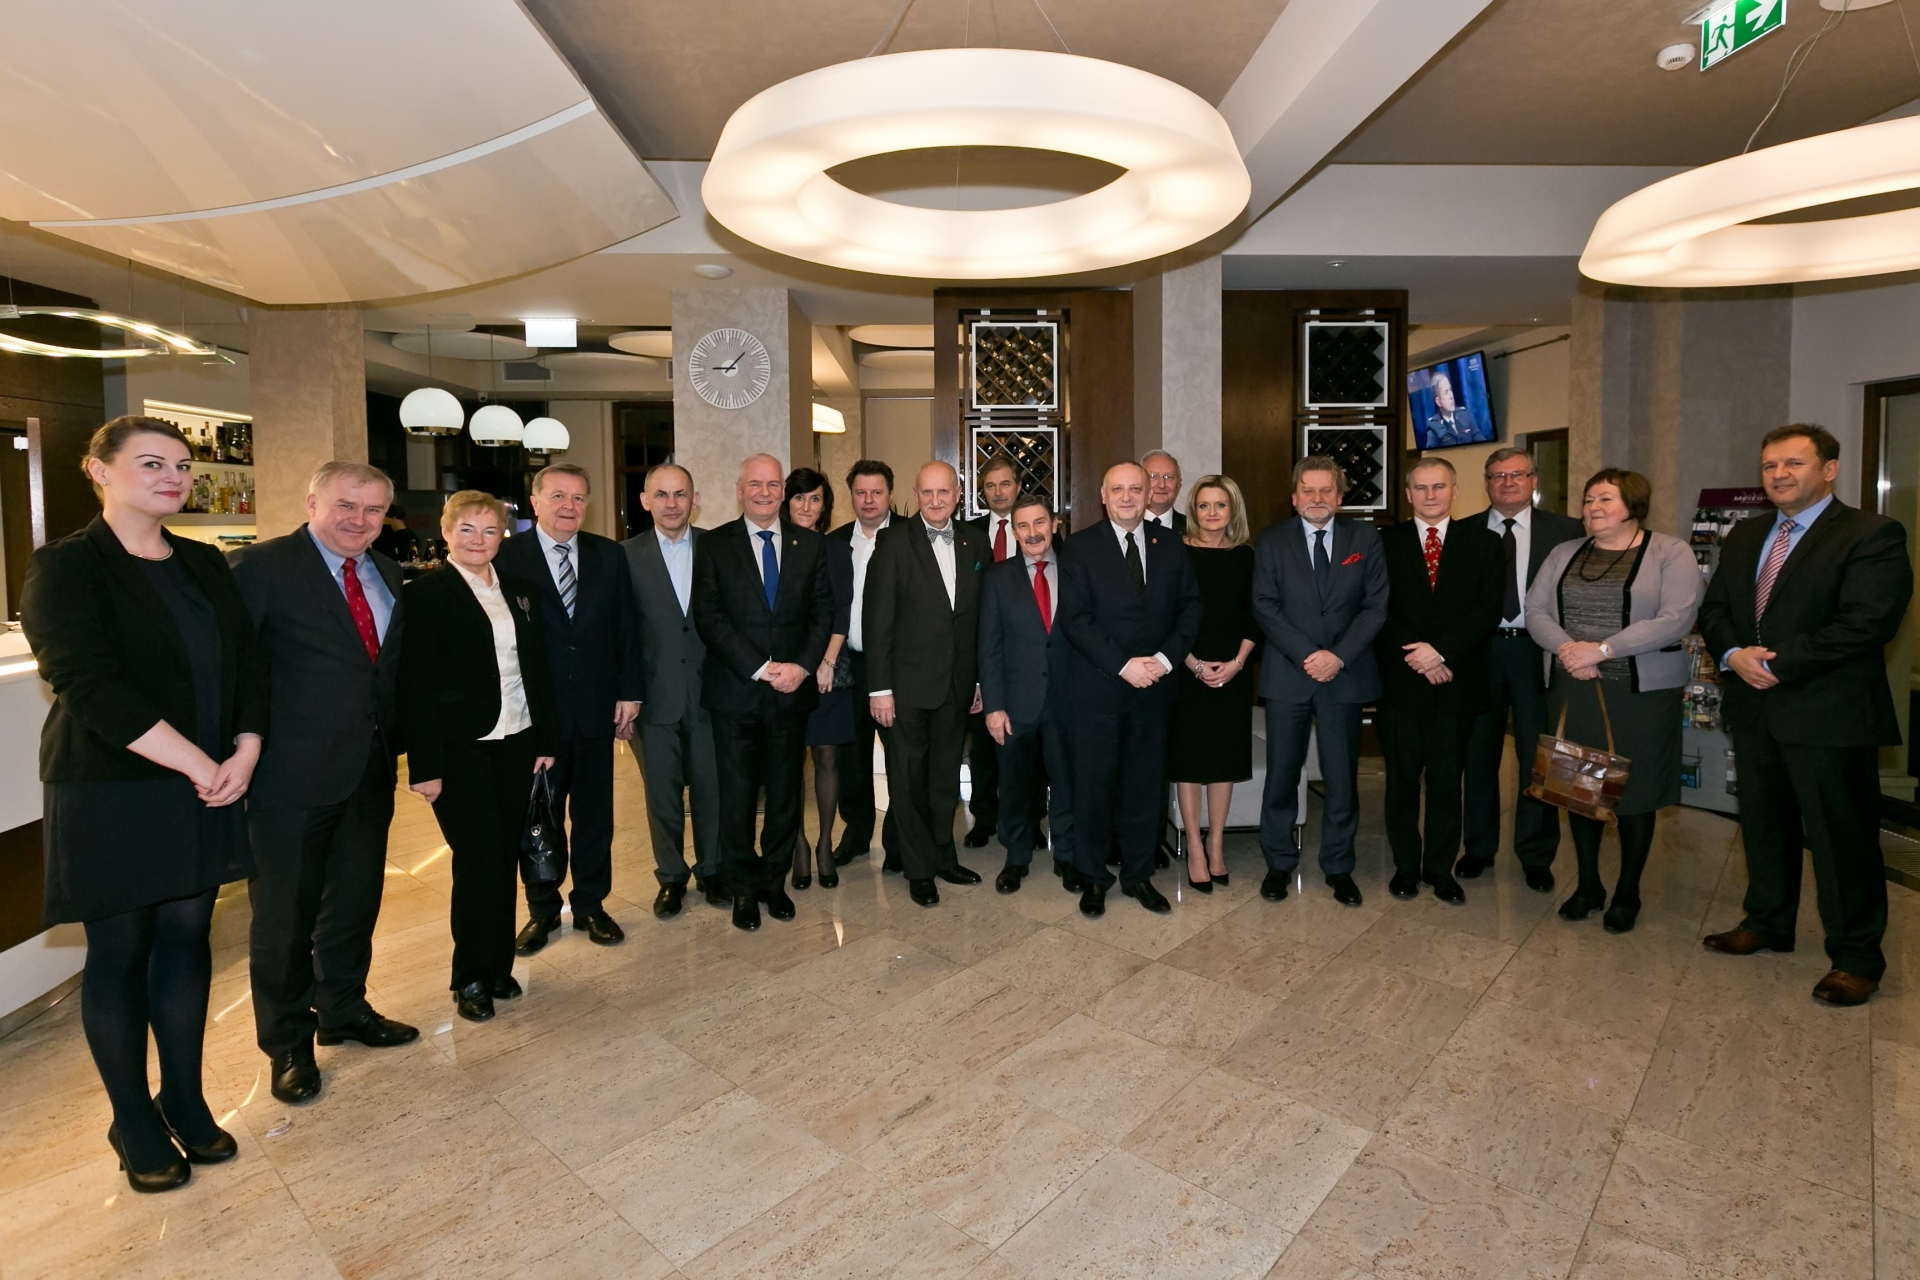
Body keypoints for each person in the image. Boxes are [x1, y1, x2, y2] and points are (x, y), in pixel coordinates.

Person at [22, 416, 266, 1191]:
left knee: (187, 938)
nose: (174, 477)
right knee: (121, 950)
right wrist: (200, 762)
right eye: (153, 463)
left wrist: (247, 746)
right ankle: (131, 1118)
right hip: (112, 787)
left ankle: (184, 1099)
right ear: (99, 470)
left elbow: (247, 661)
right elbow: (86, 684)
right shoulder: (66, 566)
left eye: (183, 466)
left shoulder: (203, 561)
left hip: (206, 779)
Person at [1699, 424, 1913, 1006]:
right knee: (1764, 825)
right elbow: (1715, 609)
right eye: (1770, 465)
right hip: (1755, 707)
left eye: (1794, 463)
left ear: (1829, 469)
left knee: (1841, 840)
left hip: (1828, 714)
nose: (1779, 474)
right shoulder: (1747, 535)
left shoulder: (1871, 534)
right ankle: (1768, 922)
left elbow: (1868, 621)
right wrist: (1732, 654)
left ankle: (1856, 958)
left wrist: (1778, 663)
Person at [228, 460, 415, 1110]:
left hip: (368, 767)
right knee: (285, 915)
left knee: (355, 899)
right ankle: (287, 1045)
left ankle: (343, 1008)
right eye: (345, 505)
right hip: (288, 775)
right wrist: (238, 752)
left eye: (372, 510)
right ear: (312, 503)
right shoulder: (260, 568)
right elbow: (233, 667)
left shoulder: (386, 571)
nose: (359, 520)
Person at [400, 492, 558, 1023]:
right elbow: (415, 685)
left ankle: (497, 967)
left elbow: (537, 670)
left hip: (518, 740)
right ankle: (469, 975)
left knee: (505, 855)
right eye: (466, 529)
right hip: (460, 750)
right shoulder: (426, 595)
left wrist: (546, 741)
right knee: (476, 859)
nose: (478, 540)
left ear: (502, 537)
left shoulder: (520, 590)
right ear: (446, 533)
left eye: (490, 531)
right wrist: (425, 766)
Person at [1525, 469, 1704, 933]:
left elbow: (1676, 617)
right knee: (1578, 790)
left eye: (1605, 498)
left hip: (1640, 694)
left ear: (1633, 505)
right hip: (1574, 685)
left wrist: (1602, 650)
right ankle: (1588, 885)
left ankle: (1628, 892)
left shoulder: (1670, 552)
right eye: (1588, 500)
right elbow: (1536, 610)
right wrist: (1569, 650)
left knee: (1635, 793)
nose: (1592, 507)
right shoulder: (1565, 552)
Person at [495, 463, 641, 955]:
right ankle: (542, 910)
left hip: (597, 709)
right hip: (536, 715)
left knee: (595, 815)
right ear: (535, 502)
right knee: (540, 814)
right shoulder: (505, 556)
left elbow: (627, 628)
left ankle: (591, 905)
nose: (569, 507)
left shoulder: (608, 554)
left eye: (578, 498)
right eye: (558, 496)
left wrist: (630, 691)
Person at [691, 454, 834, 931]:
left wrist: (803, 667)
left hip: (792, 691)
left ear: (783, 492)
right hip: (736, 692)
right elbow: (709, 616)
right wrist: (759, 668)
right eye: (756, 484)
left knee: (786, 794)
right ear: (740, 491)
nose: (765, 493)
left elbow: (822, 612)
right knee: (736, 797)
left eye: (773, 484)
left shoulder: (809, 545)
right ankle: (743, 888)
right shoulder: (714, 544)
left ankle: (774, 882)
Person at [1061, 461, 1202, 916]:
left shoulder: (1172, 545)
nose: (1127, 497)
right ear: (1103, 496)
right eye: (1118, 489)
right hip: (1098, 689)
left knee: (1146, 788)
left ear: (1148, 495)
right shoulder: (1080, 547)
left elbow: (1190, 609)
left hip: (1154, 690)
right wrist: (1123, 666)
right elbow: (1076, 620)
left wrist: (1163, 661)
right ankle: (1093, 877)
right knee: (1094, 788)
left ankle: (1139, 876)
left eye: (1135, 489)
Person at [1251, 457, 1388, 908]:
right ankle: (1278, 862)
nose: (1316, 498)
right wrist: (1308, 655)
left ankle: (1339, 865)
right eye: (1307, 490)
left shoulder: (1364, 539)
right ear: (1294, 498)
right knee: (1282, 774)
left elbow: (1375, 606)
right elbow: (1264, 604)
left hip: (1344, 674)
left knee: (1342, 777)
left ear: (1340, 496)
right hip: (1289, 673)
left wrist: (1337, 656)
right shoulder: (1272, 540)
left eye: (1326, 490)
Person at [1375, 456, 1503, 904]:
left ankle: (1439, 870)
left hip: (1457, 680)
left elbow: (1488, 610)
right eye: (1421, 487)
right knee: (1402, 782)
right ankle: (1405, 867)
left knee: (1448, 783)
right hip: (1401, 681)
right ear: (1407, 494)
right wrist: (1420, 655)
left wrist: (1441, 651)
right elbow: (1375, 606)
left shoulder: (1485, 543)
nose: (1430, 495)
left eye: (1439, 486)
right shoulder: (1383, 543)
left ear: (1455, 491)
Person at [863, 461, 988, 907]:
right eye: (928, 493)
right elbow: (877, 619)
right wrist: (880, 689)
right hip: (906, 688)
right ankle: (918, 870)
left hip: (957, 685)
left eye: (944, 492)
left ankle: (943, 857)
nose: (936, 501)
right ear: (916, 495)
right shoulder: (893, 542)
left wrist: (978, 680)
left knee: (943, 779)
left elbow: (978, 618)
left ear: (958, 495)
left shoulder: (976, 541)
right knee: (909, 780)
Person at [1460, 447, 1585, 890]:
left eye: (1517, 474)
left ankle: (1536, 854)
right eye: (1498, 476)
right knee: (1478, 755)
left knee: (1538, 754)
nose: (1507, 482)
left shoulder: (1568, 531)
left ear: (1534, 480)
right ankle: (1478, 848)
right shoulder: (1464, 531)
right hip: (1481, 653)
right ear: (1486, 484)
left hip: (1539, 652)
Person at [621, 463, 725, 918]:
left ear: (694, 500)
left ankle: (713, 870)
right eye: (661, 495)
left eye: (680, 494)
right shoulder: (624, 556)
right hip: (653, 697)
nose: (671, 503)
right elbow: (619, 632)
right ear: (645, 501)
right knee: (661, 797)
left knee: (711, 790)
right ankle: (671, 877)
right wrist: (623, 694)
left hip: (710, 695)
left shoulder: (718, 548)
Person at [978, 493, 1076, 893]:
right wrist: (994, 706)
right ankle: (1016, 858)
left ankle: (1067, 856)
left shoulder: (1076, 570)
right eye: (1023, 525)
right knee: (1015, 786)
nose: (1032, 533)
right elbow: (989, 646)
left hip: (1069, 700)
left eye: (1039, 523)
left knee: (1068, 782)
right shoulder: (997, 577)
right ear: (1014, 532)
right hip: (1016, 703)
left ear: (1054, 524)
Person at [1168, 475, 1259, 893]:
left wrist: (1237, 664)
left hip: (1233, 672)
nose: (1211, 513)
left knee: (1223, 760)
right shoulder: (1177, 553)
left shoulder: (1246, 556)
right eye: (1203, 505)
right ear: (1193, 510)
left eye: (1220, 505)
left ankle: (1216, 843)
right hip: (1187, 669)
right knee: (1188, 761)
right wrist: (1192, 663)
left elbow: (1254, 614)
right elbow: (1167, 614)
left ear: (1233, 510)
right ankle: (1194, 846)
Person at [829, 460, 904, 871]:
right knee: (851, 760)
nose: (869, 500)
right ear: (851, 496)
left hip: (897, 669)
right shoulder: (835, 543)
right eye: (861, 492)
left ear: (891, 494)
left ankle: (898, 842)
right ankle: (856, 835)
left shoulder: (911, 537)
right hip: (849, 666)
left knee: (901, 759)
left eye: (877, 492)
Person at [783, 467, 853, 890]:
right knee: (788, 762)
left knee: (827, 757)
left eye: (815, 499)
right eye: (799, 498)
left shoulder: (837, 550)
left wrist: (825, 662)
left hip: (828, 668)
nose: (807, 506)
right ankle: (798, 846)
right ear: (786, 502)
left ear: (825, 506)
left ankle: (825, 843)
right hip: (783, 672)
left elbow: (842, 609)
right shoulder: (773, 546)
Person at [959, 452, 1020, 849]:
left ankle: (1026, 819)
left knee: (1025, 744)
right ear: (982, 492)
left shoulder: (1039, 529)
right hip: (983, 651)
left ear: (1018, 487)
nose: (998, 492)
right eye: (990, 486)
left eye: (1005, 484)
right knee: (982, 744)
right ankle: (983, 818)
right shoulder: (968, 535)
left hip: (1028, 654)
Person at [1421, 372, 1481, 448]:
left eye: (1450, 390)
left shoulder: (1464, 415)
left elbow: (1481, 441)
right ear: (1438, 402)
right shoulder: (1434, 427)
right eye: (1446, 392)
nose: (1451, 396)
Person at [1141, 449, 1187, 535]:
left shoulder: (1194, 530)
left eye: (1168, 477)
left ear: (1178, 485)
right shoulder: (1123, 525)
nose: (1161, 485)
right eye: (1153, 476)